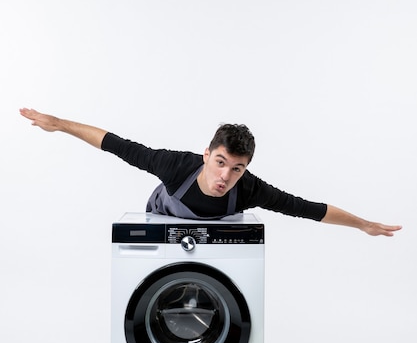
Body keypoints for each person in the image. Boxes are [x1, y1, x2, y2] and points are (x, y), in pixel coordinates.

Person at [19, 107, 402, 236]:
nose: (225, 177)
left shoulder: (249, 189)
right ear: (206, 155)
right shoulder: (175, 166)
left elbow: (307, 208)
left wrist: (364, 224)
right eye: (220, 163)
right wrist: (58, 123)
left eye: (237, 169)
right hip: (163, 222)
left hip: (212, 234)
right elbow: (115, 144)